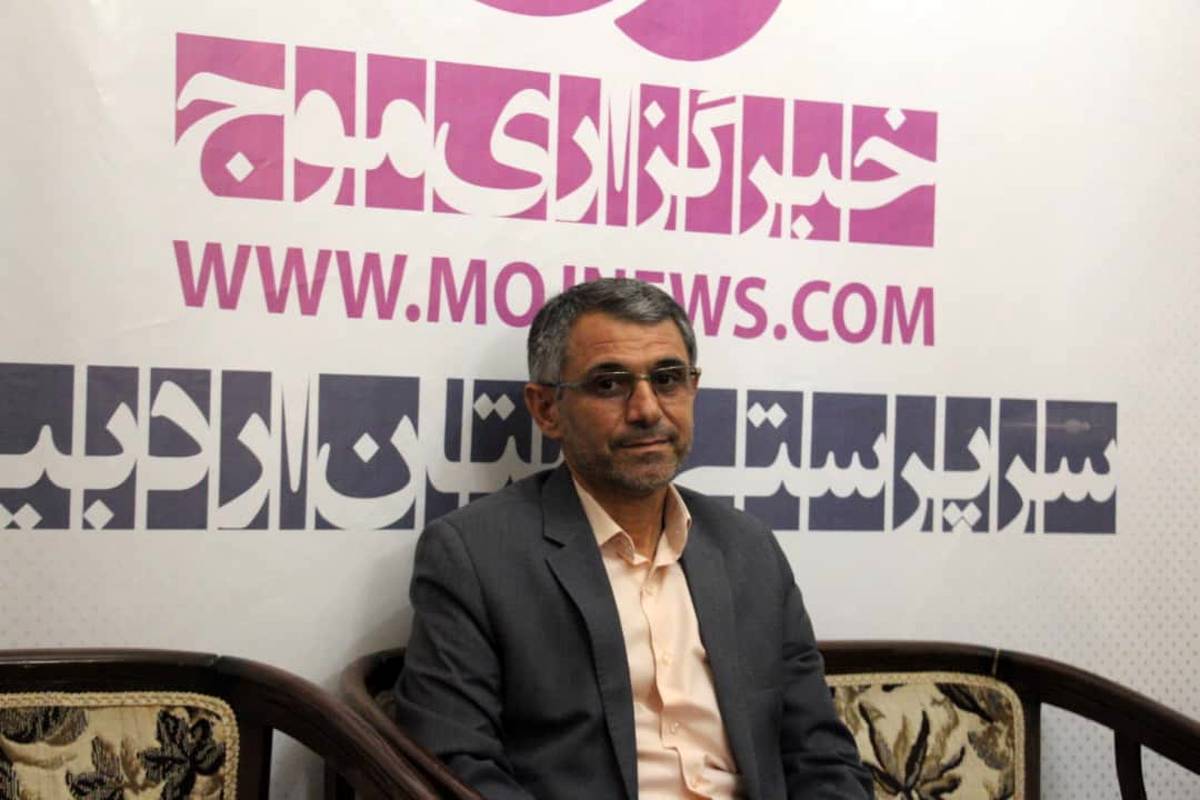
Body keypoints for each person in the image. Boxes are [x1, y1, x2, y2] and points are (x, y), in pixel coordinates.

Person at [394, 278, 873, 799]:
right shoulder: (474, 555)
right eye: (609, 384)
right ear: (546, 409)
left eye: (667, 379)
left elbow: (821, 754)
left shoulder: (748, 548)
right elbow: (455, 764)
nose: (647, 409)